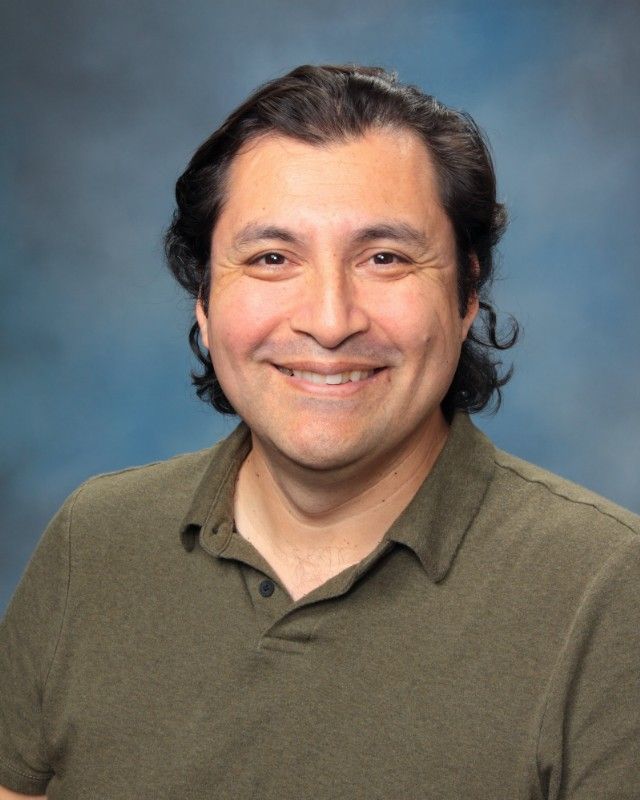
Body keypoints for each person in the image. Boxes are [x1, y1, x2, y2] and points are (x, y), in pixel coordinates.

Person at [1, 64, 638, 800]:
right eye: (272, 258)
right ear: (204, 302)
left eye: (385, 258)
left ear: (466, 295)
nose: (330, 320)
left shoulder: (610, 591)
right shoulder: (95, 541)